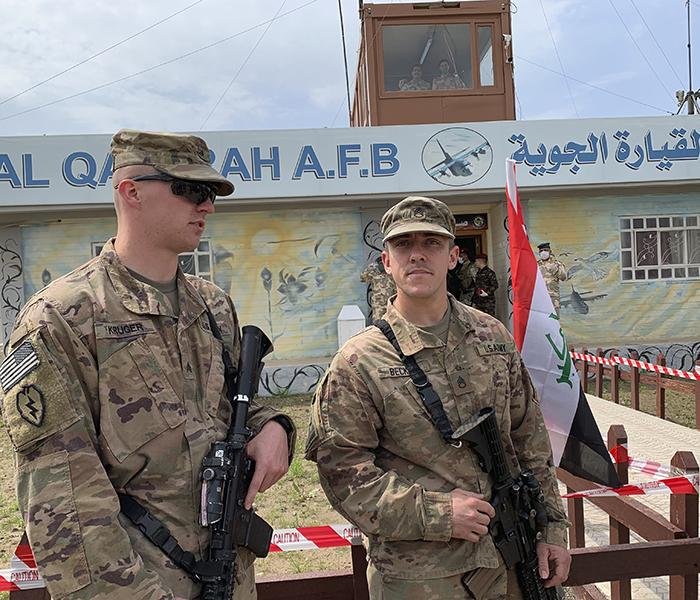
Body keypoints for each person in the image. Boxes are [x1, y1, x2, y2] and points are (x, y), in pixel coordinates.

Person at [0, 129, 296, 600]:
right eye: (190, 190)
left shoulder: (212, 306)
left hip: (229, 576)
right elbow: (62, 498)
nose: (207, 207)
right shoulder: (61, 317)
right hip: (139, 583)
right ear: (131, 191)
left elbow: (233, 406)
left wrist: (275, 426)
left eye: (210, 194)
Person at [306, 196, 570, 600]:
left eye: (431, 243)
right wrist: (439, 514)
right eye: (403, 245)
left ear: (453, 257)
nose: (417, 255)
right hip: (422, 579)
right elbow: (343, 475)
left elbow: (530, 440)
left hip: (513, 561)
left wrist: (551, 528)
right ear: (386, 262)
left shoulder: (493, 337)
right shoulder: (359, 361)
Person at [360, 255, 397, 321]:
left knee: (393, 323)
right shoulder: (374, 268)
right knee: (378, 323)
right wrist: (376, 269)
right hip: (379, 303)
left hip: (392, 302)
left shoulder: (393, 267)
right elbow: (363, 278)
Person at [537, 242, 567, 315]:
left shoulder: (557, 264)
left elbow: (563, 277)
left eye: (545, 250)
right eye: (541, 251)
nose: (543, 252)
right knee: (542, 320)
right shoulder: (536, 265)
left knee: (554, 320)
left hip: (553, 298)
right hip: (540, 297)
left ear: (550, 252)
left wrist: (555, 269)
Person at [471, 253, 498, 317]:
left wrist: (487, 293)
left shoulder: (489, 272)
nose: (475, 263)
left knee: (489, 320)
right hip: (479, 301)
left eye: (476, 261)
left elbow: (495, 285)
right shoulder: (478, 272)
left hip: (488, 302)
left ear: (480, 261)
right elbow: (477, 286)